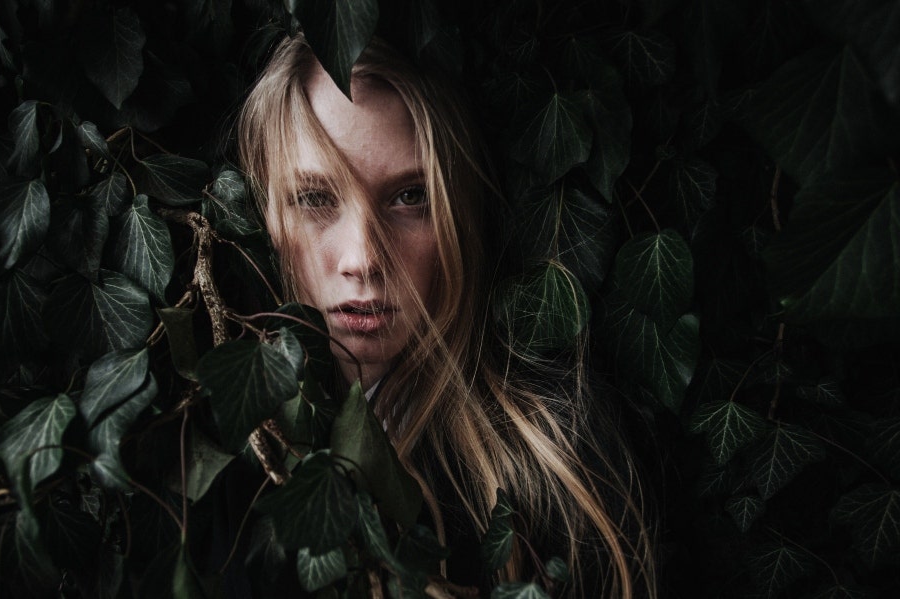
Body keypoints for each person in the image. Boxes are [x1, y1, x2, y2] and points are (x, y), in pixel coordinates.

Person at [236, 34, 656, 598]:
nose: (363, 260)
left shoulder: (553, 465)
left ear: (458, 214)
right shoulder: (219, 470)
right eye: (315, 199)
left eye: (410, 197)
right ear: (263, 211)